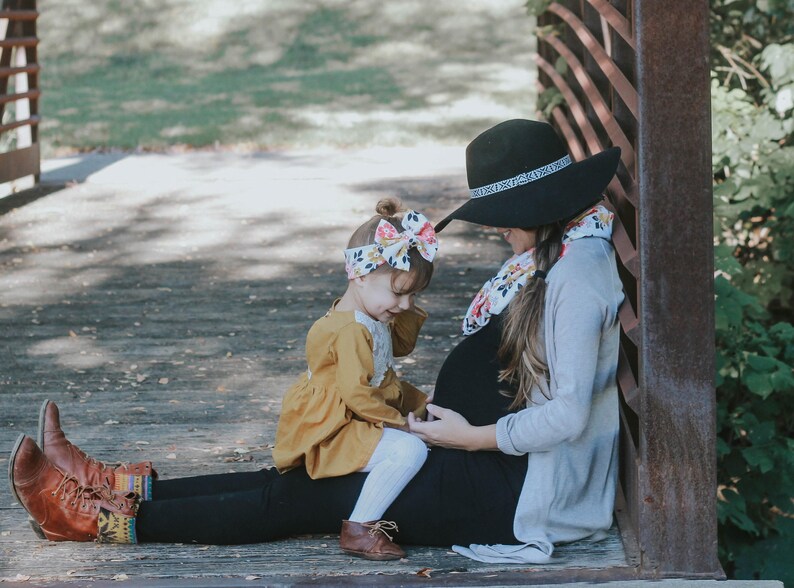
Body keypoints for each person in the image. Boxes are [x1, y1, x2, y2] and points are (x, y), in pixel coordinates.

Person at [8, 119, 624, 564]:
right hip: (481, 459)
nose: (503, 236)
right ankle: (109, 485)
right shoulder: (562, 254)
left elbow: (566, 414)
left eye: (505, 222)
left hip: (513, 493)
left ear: (535, 207)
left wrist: (470, 435)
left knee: (300, 498)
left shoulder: (574, 278)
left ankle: (93, 520)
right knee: (302, 477)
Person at [273, 199, 436, 560]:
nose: (407, 304)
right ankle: (360, 528)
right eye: (399, 292)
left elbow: (401, 346)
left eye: (414, 294)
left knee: (435, 404)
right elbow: (358, 395)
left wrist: (400, 307)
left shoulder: (372, 314)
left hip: (362, 406)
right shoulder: (350, 331)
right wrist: (402, 426)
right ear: (359, 275)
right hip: (333, 425)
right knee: (410, 449)